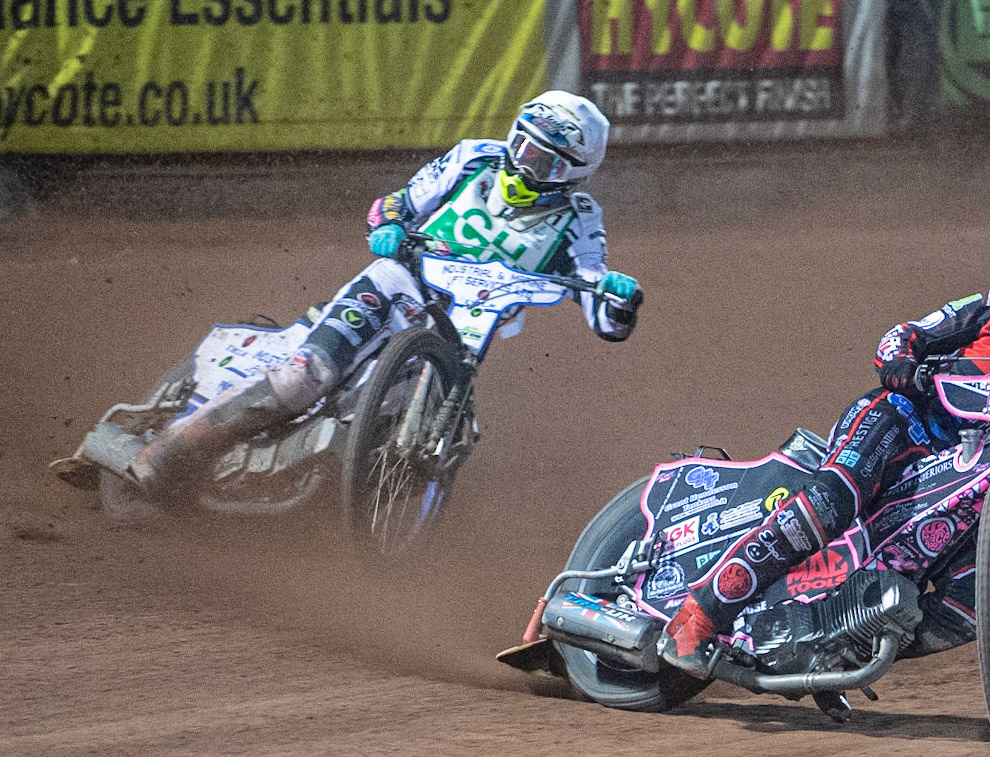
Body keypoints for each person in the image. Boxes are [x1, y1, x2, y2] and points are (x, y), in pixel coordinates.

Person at [658, 236, 990, 678]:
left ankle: (839, 646)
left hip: (975, 493)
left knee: (972, 605)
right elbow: (904, 336)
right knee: (833, 499)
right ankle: (701, 612)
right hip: (902, 425)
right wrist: (899, 366)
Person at [120, 90, 642, 497]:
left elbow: (599, 301)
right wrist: (388, 226)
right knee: (305, 377)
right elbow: (395, 204)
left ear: (571, 175)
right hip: (398, 285)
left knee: (401, 415)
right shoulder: (473, 160)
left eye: (544, 161)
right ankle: (169, 455)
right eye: (522, 145)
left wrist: (619, 296)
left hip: (462, 331)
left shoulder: (579, 222)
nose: (523, 164)